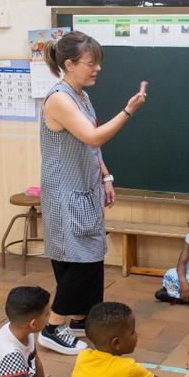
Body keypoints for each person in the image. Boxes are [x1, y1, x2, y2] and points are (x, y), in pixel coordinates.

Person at [39, 31, 148, 354]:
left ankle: (78, 319)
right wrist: (128, 111)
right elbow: (94, 137)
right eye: (91, 63)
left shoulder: (81, 95)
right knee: (78, 261)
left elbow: (89, 148)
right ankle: (52, 327)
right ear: (70, 64)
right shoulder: (59, 98)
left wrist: (106, 176)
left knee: (87, 257)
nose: (97, 69)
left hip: (84, 189)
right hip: (65, 193)